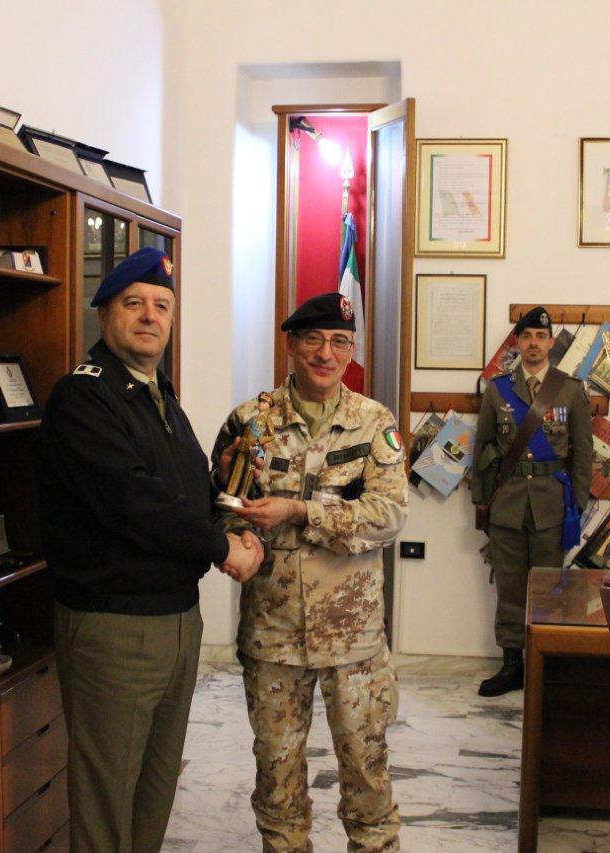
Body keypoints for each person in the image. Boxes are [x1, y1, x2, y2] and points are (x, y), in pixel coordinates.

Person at [37, 246, 263, 852]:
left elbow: (182, 491)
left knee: (155, 788)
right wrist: (221, 548)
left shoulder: (157, 394)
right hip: (116, 625)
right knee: (108, 798)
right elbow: (134, 500)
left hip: (175, 618)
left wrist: (230, 508)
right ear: (104, 315)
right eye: (134, 303)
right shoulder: (84, 397)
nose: (150, 316)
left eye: (162, 306)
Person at [212, 292, 408, 852]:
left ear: (351, 350)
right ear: (292, 346)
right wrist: (236, 532)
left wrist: (300, 512)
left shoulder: (373, 423)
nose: (326, 353)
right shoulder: (250, 421)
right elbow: (220, 505)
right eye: (314, 340)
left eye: (340, 342)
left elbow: (389, 515)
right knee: (276, 777)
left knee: (367, 773)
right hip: (273, 632)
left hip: (353, 635)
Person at [470, 306, 592, 697]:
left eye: (540, 337)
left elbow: (583, 454)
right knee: (509, 587)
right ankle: (511, 666)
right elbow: (482, 447)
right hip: (506, 505)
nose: (533, 343)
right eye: (526, 337)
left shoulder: (570, 390)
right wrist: (481, 501)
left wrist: (577, 503)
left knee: (549, 589)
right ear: (518, 343)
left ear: (551, 343)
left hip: (551, 506)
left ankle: (543, 665)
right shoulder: (498, 389)